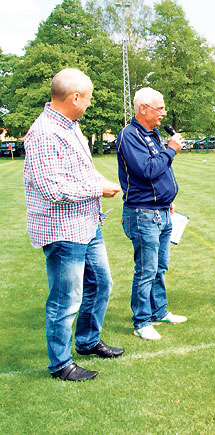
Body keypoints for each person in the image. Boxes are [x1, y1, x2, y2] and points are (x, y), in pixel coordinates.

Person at [24, 68, 124, 381]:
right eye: (88, 98)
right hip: (62, 231)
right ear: (75, 97)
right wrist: (99, 189)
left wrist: (101, 181)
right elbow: (52, 189)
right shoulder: (43, 133)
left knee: (101, 283)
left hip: (86, 225)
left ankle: (87, 341)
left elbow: (82, 170)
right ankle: (60, 364)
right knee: (65, 299)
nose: (89, 104)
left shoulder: (71, 126)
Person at [116, 87, 187, 340]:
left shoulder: (153, 134)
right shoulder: (129, 135)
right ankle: (142, 321)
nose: (163, 113)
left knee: (159, 267)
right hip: (142, 213)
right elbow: (146, 170)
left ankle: (158, 311)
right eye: (160, 108)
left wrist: (167, 198)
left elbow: (160, 172)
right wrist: (171, 150)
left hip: (162, 211)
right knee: (145, 269)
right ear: (143, 108)